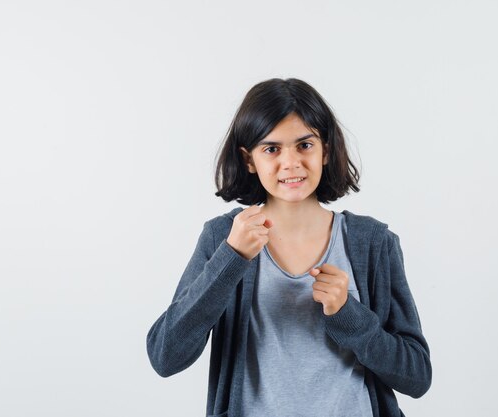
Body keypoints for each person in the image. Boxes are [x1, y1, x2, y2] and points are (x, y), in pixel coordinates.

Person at [146, 78, 432, 417]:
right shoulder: (223, 238)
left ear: (326, 149)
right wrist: (230, 260)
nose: (291, 162)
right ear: (248, 159)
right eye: (271, 149)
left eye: (304, 145)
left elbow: (417, 376)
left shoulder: (372, 243)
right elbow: (165, 357)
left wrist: (349, 314)